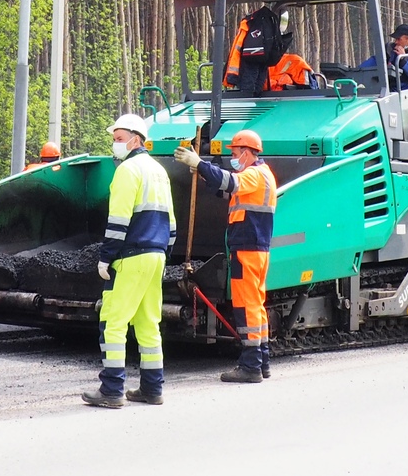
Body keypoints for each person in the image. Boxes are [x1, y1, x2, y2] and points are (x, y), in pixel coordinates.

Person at [82, 114, 176, 409]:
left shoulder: (127, 171)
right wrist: (163, 253)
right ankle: (152, 388)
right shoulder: (159, 171)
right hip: (157, 255)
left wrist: (106, 257)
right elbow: (171, 223)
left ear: (136, 139)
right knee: (148, 323)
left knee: (113, 322)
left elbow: (118, 220)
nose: (115, 144)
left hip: (132, 255)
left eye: (119, 139)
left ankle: (111, 390)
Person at [174, 128, 276, 383]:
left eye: (236, 152)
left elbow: (229, 182)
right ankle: (262, 361)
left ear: (248, 152)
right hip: (256, 249)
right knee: (257, 304)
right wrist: (203, 172)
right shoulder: (260, 175)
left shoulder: (254, 175)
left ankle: (251, 365)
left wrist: (199, 163)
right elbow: (222, 190)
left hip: (248, 249)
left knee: (246, 305)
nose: (234, 156)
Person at [358, 23, 408, 90]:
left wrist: (404, 58)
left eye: (399, 39)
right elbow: (376, 61)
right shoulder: (390, 48)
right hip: (389, 88)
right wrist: (358, 70)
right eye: (395, 39)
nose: (396, 42)